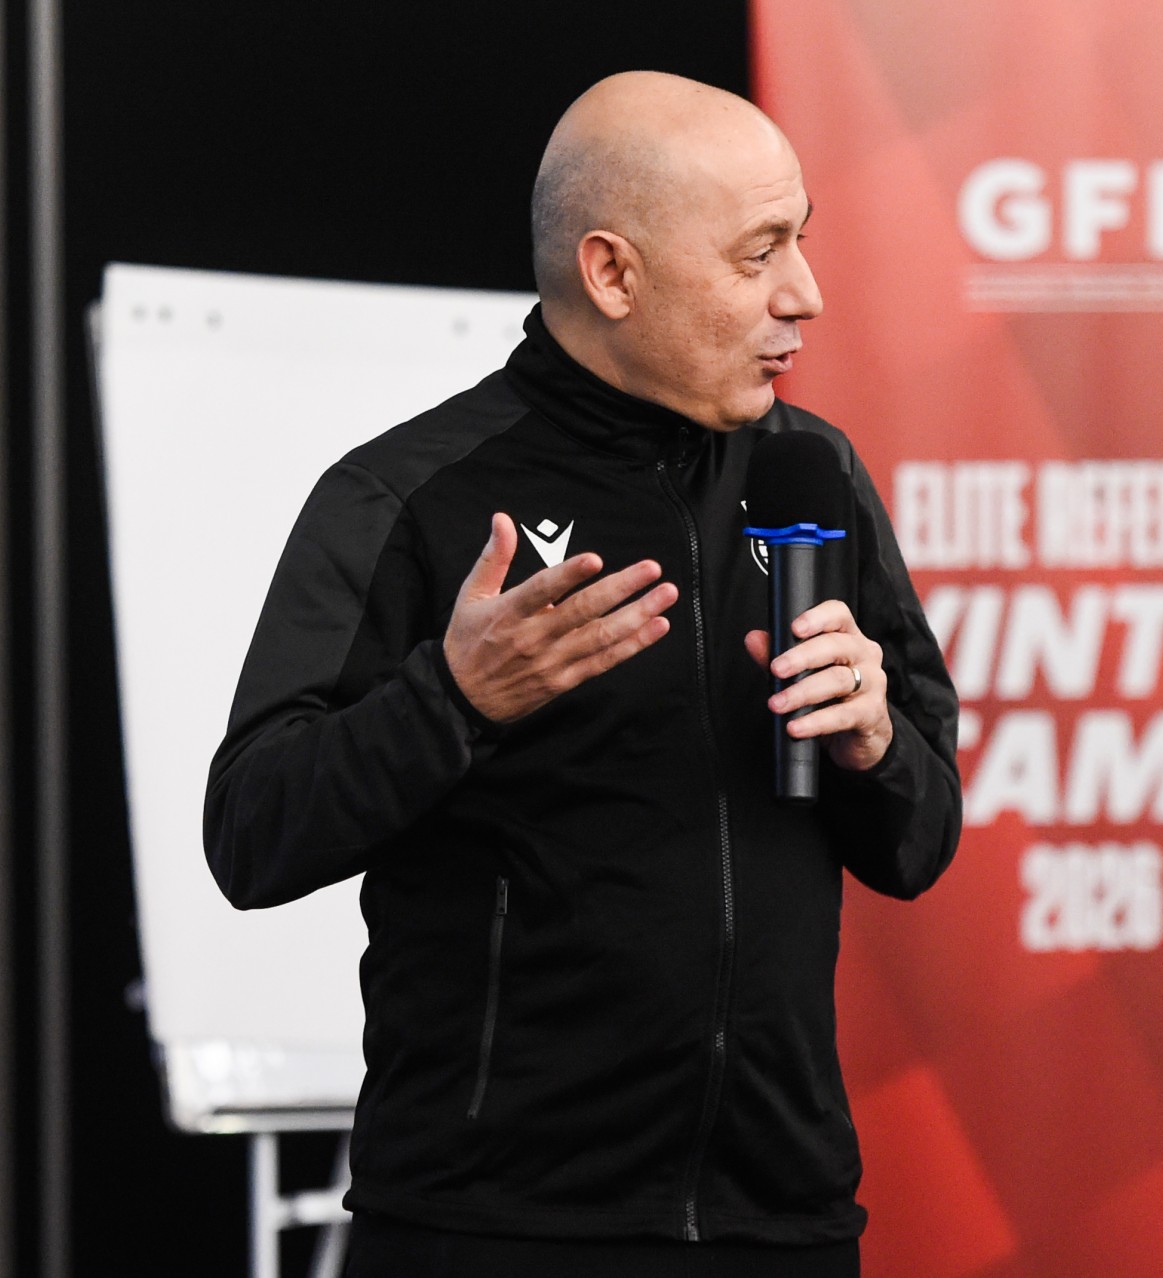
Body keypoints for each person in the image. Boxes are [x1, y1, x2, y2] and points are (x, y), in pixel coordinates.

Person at [204, 71, 961, 1277]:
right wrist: (453, 702)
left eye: (802, 241)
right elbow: (252, 832)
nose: (805, 295)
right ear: (612, 274)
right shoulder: (409, 497)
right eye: (759, 253)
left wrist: (877, 748)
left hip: (782, 1221)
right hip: (490, 1230)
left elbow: (919, 845)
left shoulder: (813, 476)